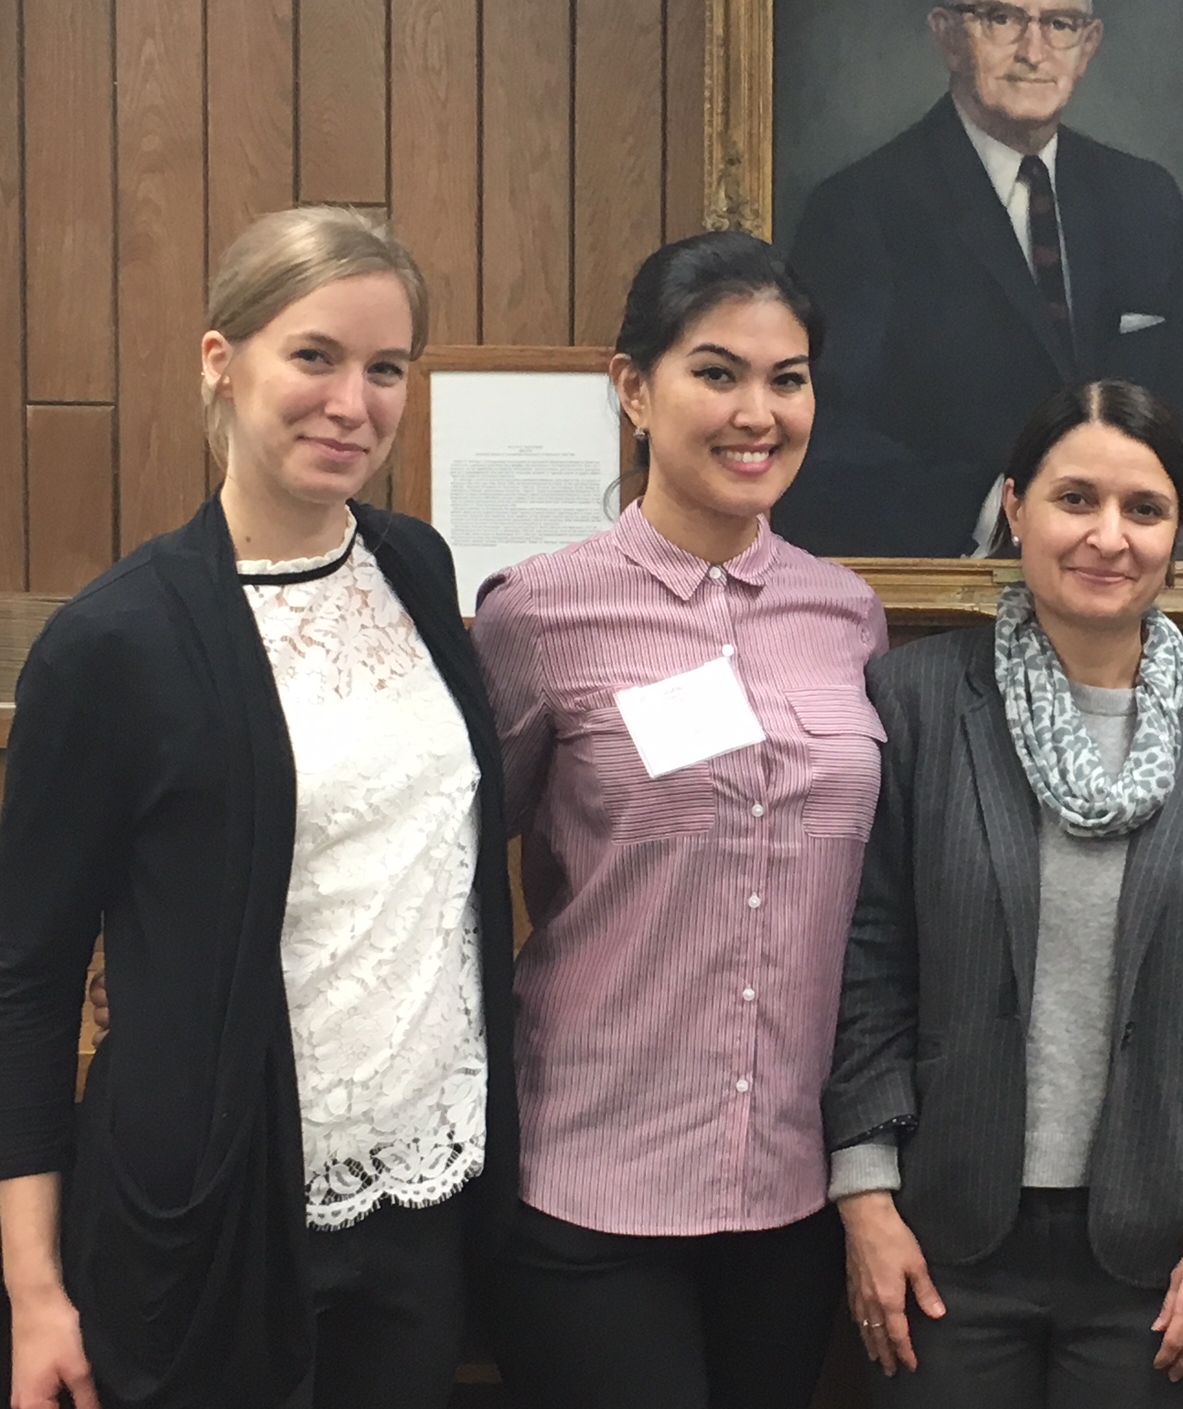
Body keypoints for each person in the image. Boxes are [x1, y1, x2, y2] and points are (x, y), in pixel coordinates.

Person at [0, 206, 519, 1409]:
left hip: (420, 1204)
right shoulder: (113, 643)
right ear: (220, 362)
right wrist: (33, 1296)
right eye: (316, 356)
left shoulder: (418, 570)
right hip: (205, 1219)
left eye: (386, 368)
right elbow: (24, 982)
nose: (354, 401)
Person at [825, 379, 1183, 1407]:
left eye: (1144, 510)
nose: (1109, 536)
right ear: (1015, 507)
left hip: (1165, 1247)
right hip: (944, 1240)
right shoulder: (916, 699)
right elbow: (867, 960)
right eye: (1075, 499)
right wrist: (865, 1198)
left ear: (1179, 530)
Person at [468, 230, 888, 1409]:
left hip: (788, 1193)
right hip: (588, 1179)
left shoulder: (844, 614)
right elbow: (447, 868)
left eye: (787, 378)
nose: (758, 411)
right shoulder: (539, 615)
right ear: (632, 387)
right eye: (717, 372)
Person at [776, 0, 1183, 560]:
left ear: (1089, 43)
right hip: (953, 579)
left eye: (1060, 24)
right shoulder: (860, 209)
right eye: (1002, 18)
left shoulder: (1144, 198)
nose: (1033, 50)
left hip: (1132, 575)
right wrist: (997, 511)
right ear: (948, 35)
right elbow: (826, 432)